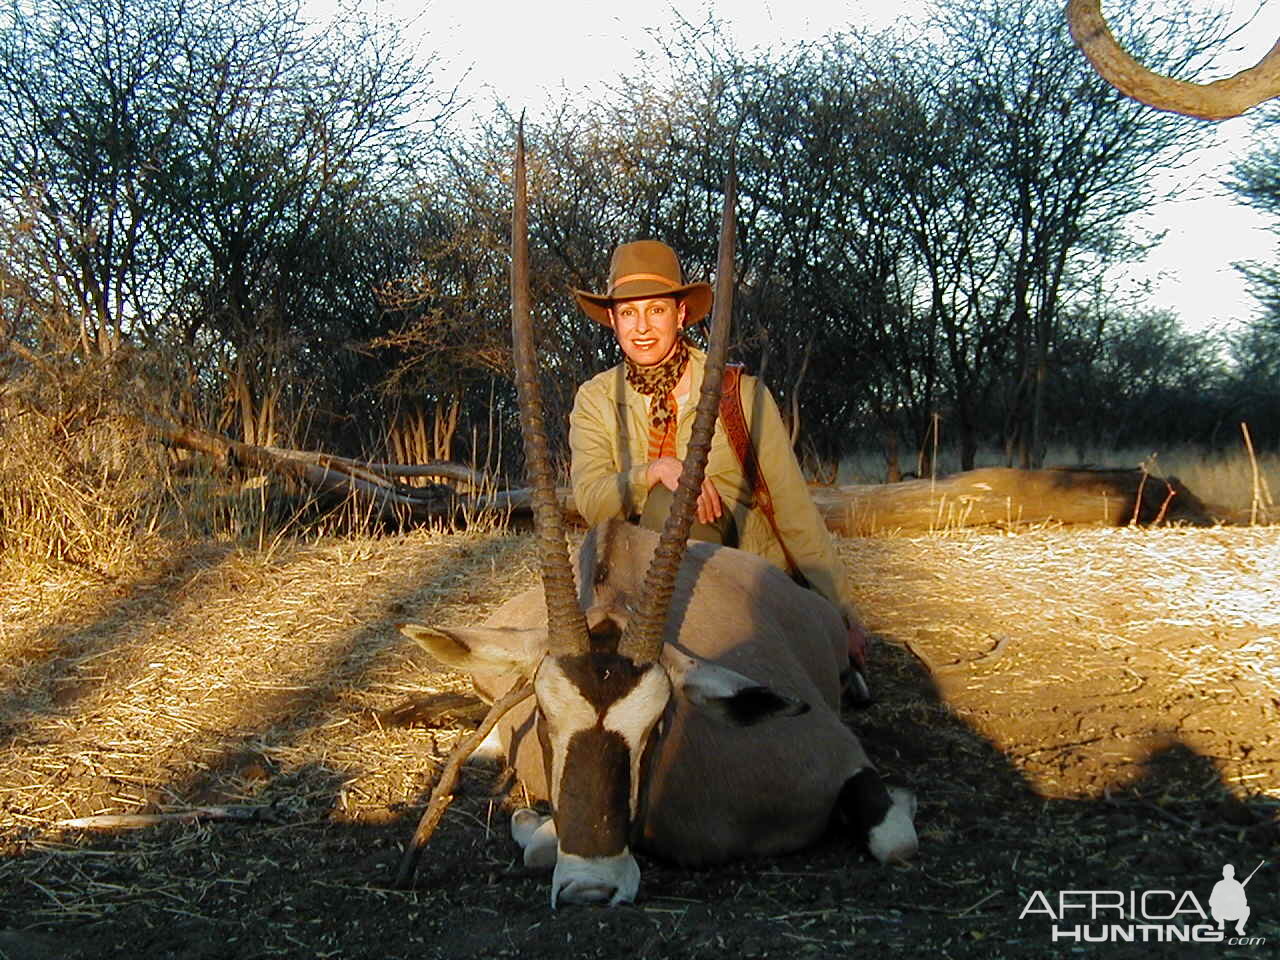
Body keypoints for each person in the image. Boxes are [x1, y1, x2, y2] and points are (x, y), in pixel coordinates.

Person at [568, 240, 871, 701]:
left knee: (677, 502)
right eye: (629, 314)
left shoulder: (741, 394)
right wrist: (654, 472)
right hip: (633, 590)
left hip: (743, 582)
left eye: (656, 311)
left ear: (682, 314)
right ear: (612, 320)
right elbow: (590, 501)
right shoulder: (593, 399)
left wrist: (842, 615)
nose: (642, 328)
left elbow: (794, 512)